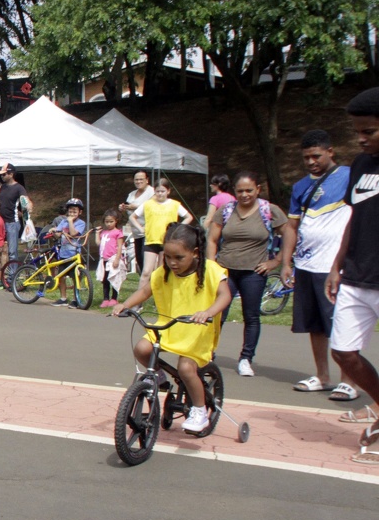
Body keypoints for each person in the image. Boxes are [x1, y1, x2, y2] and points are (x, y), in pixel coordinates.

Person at [112, 223, 232, 432]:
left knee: (186, 368)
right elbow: (145, 291)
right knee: (142, 349)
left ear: (195, 253)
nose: (172, 263)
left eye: (179, 258)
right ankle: (159, 376)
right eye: (168, 257)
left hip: (197, 330)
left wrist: (208, 312)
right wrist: (125, 304)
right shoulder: (164, 272)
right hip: (169, 327)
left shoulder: (210, 270)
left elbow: (225, 295)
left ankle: (199, 410)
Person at [280, 130, 357, 399]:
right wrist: (285, 262)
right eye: (306, 157)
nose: (311, 161)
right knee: (314, 324)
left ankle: (349, 380)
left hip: (335, 266)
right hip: (306, 264)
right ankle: (323, 376)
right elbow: (291, 226)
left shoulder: (349, 176)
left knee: (340, 323)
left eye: (316, 156)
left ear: (330, 151)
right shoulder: (300, 186)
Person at [327, 88, 379, 458]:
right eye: (357, 131)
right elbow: (354, 216)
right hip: (356, 276)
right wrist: (336, 265)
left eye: (370, 131)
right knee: (343, 352)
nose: (361, 139)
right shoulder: (360, 165)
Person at [207, 171, 293, 377]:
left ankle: (246, 358)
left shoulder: (268, 210)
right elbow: (212, 239)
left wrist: (277, 261)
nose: (245, 194)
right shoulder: (226, 210)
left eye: (249, 190)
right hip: (225, 270)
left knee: (251, 315)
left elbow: (290, 233)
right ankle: (208, 351)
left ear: (258, 190)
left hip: (254, 271)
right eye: (240, 191)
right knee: (217, 313)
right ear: (234, 192)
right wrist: (211, 265)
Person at [135, 177, 193, 281]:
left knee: (161, 270)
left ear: (168, 191)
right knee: (146, 272)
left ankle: (159, 295)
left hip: (166, 242)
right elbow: (133, 217)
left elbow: (188, 217)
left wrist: (177, 229)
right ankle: (140, 295)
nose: (160, 194)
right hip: (151, 241)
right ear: (154, 191)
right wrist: (140, 229)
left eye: (163, 191)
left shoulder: (174, 204)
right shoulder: (148, 204)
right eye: (158, 191)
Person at [51, 198, 87, 306]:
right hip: (63, 253)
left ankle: (75, 299)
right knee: (61, 276)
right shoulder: (63, 221)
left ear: (80, 212)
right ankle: (63, 298)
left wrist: (70, 222)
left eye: (74, 211)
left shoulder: (81, 223)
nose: (71, 214)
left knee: (75, 277)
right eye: (70, 211)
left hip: (74, 254)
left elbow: (73, 233)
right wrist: (54, 231)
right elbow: (57, 234)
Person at [120, 171, 154, 273]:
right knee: (139, 261)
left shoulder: (152, 192)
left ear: (147, 180)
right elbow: (128, 213)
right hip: (136, 233)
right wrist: (123, 208)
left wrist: (135, 207)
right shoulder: (131, 194)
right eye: (136, 179)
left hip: (148, 231)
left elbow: (152, 207)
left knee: (146, 262)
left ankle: (150, 286)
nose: (138, 181)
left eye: (141, 179)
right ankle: (145, 286)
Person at [0, 163, 28, 264]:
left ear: (11, 174)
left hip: (12, 223)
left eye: (4, 174)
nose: (2, 176)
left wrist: (27, 208)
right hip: (0, 222)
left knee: (12, 251)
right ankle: (1, 274)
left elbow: (25, 201)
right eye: (1, 174)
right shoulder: (2, 187)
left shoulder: (19, 188)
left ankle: (13, 276)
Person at [95, 208, 126, 307]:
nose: (108, 224)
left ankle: (114, 298)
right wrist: (97, 233)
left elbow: (120, 246)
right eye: (107, 222)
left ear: (116, 221)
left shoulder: (118, 232)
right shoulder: (103, 233)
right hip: (104, 259)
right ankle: (105, 298)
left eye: (111, 221)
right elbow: (98, 243)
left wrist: (117, 259)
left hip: (113, 259)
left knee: (113, 278)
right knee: (105, 280)